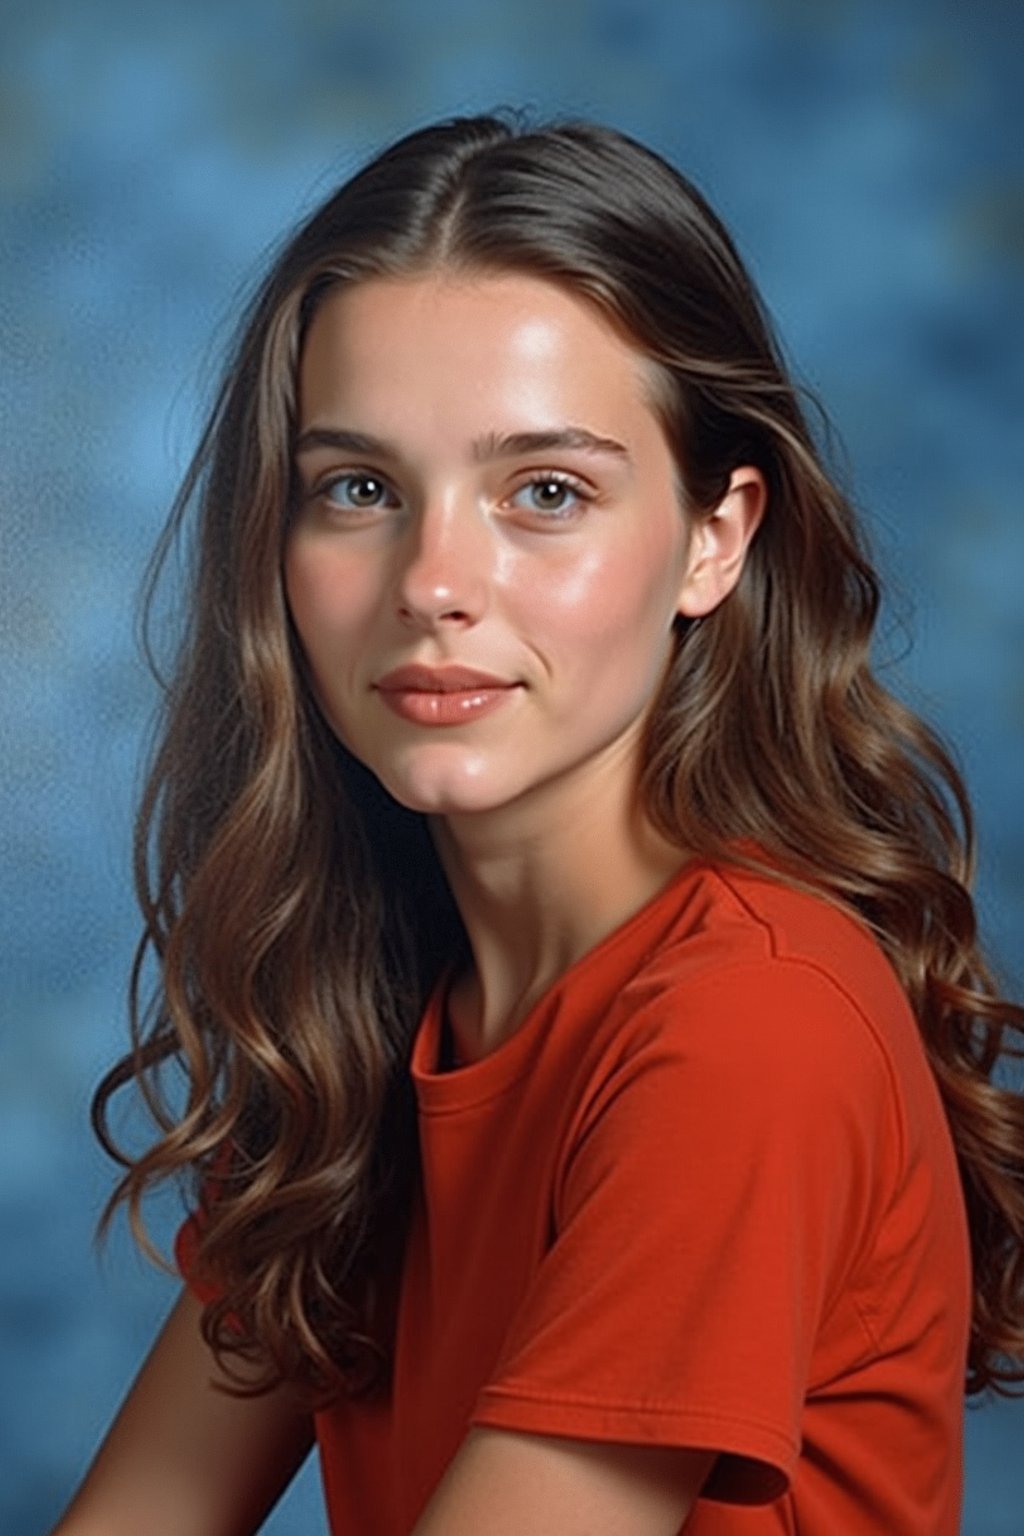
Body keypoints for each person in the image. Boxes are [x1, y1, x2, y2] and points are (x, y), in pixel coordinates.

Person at [53, 113, 1024, 1536]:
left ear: (716, 538)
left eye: (545, 492)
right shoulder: (377, 1028)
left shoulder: (749, 1024)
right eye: (361, 489)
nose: (435, 582)